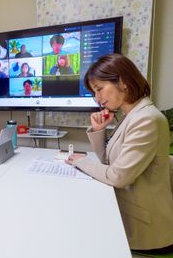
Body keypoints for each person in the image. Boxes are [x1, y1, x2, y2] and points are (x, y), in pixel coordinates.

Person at [66, 54, 173, 253]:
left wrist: (80, 161)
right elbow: (109, 162)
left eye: (99, 89)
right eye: (94, 92)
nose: (97, 98)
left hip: (145, 231)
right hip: (131, 215)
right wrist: (99, 130)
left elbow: (118, 176)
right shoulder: (131, 116)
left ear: (122, 82)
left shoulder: (147, 119)